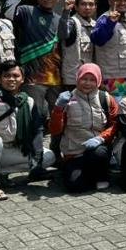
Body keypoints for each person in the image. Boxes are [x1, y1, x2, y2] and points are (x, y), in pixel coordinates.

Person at [0, 60, 55, 201]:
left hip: (10, 149)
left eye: (16, 76)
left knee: (49, 156)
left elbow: (37, 129)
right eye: (7, 76)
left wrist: (37, 159)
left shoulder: (28, 101)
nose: (11, 79)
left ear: (22, 79)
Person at [4, 0, 72, 117]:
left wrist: (66, 12)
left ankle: (55, 141)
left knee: (58, 118)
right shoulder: (26, 11)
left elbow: (64, 35)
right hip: (31, 78)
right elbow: (7, 13)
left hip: (55, 78)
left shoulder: (60, 18)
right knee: (34, 118)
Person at [49, 63, 118, 192]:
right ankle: (80, 174)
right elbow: (55, 130)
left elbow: (115, 125)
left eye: (92, 80)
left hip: (97, 150)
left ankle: (101, 176)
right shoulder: (66, 99)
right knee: (75, 187)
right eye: (84, 79)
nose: (87, 83)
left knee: (100, 153)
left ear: (98, 81)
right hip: (74, 153)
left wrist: (100, 139)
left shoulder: (106, 98)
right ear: (77, 79)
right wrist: (58, 109)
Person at [61, 0, 96, 94]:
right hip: (74, 80)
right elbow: (63, 33)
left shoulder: (97, 25)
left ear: (95, 7)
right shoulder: (71, 22)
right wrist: (66, 11)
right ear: (76, 7)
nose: (87, 7)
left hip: (91, 78)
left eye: (91, 4)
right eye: (83, 4)